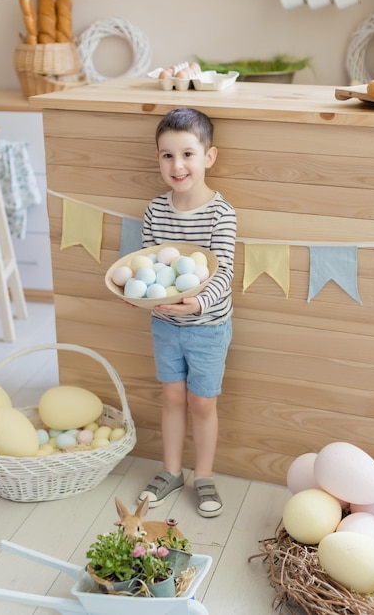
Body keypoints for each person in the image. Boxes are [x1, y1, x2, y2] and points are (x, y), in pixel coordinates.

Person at [137, 107, 236, 518]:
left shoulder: (220, 213)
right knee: (172, 396)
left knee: (202, 402)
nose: (177, 165)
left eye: (188, 154)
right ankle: (171, 470)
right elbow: (147, 265)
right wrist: (138, 293)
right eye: (167, 155)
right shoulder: (156, 211)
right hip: (164, 324)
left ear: (208, 157)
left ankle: (205, 474)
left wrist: (197, 302)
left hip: (207, 327)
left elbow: (224, 270)